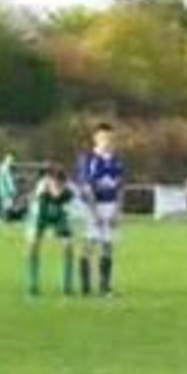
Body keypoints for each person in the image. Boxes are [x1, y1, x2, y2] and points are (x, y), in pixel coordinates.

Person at [75, 123, 125, 296]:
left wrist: (118, 211)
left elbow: (120, 187)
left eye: (111, 139)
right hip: (93, 205)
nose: (108, 142)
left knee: (108, 245)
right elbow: (86, 187)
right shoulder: (88, 158)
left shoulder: (116, 159)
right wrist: (94, 212)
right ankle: (85, 287)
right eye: (104, 138)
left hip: (110, 205)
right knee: (90, 243)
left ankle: (104, 287)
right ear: (96, 139)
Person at [26, 166, 76, 297]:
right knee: (32, 245)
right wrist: (45, 231)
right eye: (56, 185)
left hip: (59, 216)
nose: (58, 189)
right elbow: (39, 214)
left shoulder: (68, 192)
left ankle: (67, 286)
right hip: (40, 216)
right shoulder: (42, 190)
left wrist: (59, 231)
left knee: (68, 246)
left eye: (61, 185)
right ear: (50, 181)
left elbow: (67, 213)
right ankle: (32, 285)